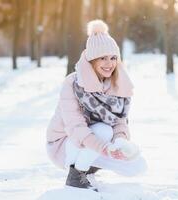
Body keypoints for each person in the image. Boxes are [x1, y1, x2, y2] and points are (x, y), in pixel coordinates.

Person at [46, 19, 147, 191]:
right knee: (104, 130)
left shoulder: (116, 84)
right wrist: (105, 148)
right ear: (92, 60)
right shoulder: (73, 83)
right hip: (64, 145)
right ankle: (76, 174)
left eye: (113, 58)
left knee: (137, 166)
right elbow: (75, 127)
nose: (110, 64)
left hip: (97, 144)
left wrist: (120, 143)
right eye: (103, 58)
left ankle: (89, 166)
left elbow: (120, 122)